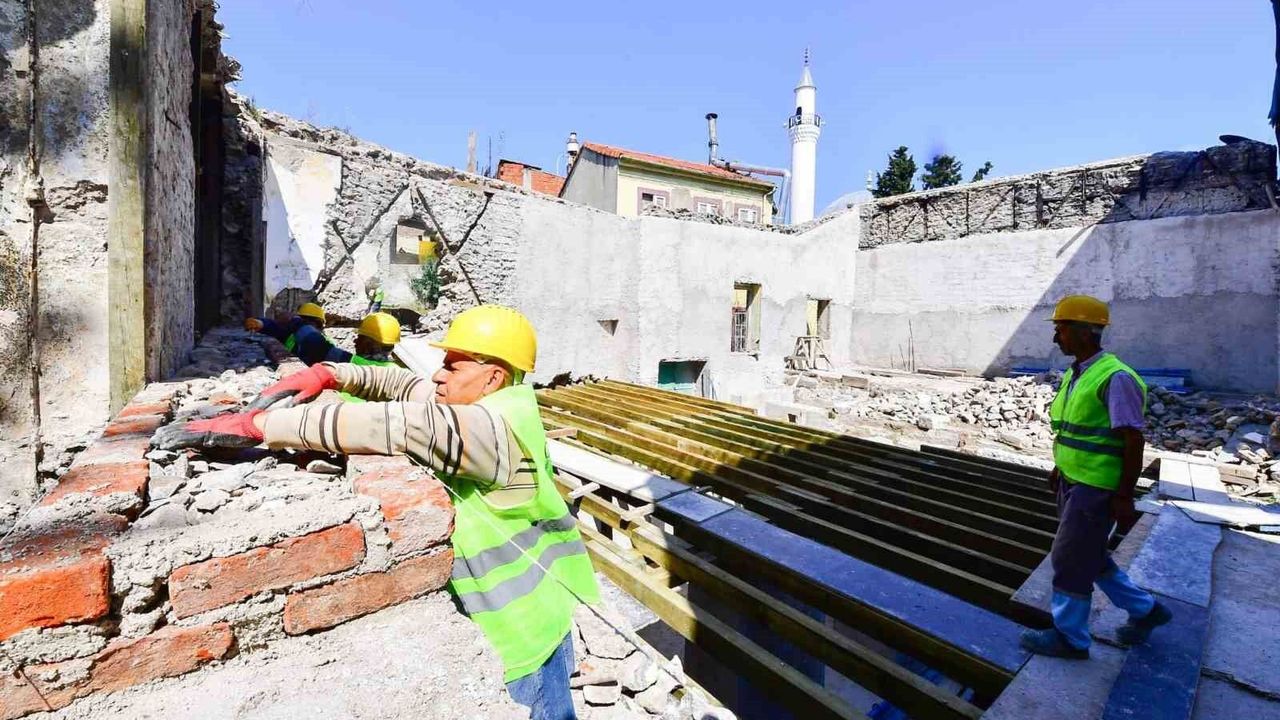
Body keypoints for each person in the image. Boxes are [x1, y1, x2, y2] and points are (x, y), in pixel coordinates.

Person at [157, 305, 598, 720]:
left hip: (525, 631)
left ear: (493, 377)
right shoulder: (497, 402)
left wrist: (261, 426)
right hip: (526, 618)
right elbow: (404, 385)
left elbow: (397, 425)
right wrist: (331, 373)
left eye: (452, 366)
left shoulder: (491, 430)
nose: (439, 374)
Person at [1019, 295, 1172, 658]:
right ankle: (1147, 610)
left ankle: (1070, 638)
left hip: (1096, 488)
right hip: (1073, 481)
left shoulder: (1115, 378)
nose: (1056, 338)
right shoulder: (1078, 374)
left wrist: (1124, 496)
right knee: (1089, 555)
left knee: (1069, 560)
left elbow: (1132, 440)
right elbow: (1075, 431)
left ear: (1086, 332)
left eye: (1061, 329)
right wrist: (1060, 466)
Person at [244, 302, 329, 357]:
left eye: (309, 322)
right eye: (304, 320)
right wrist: (260, 323)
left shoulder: (324, 342)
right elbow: (275, 327)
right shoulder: (291, 333)